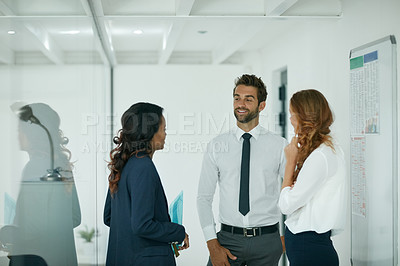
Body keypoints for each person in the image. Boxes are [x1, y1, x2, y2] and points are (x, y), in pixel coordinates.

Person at [197, 74, 287, 266]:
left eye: (248, 99)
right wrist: (212, 244)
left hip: (267, 240)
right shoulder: (217, 145)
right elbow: (203, 198)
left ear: (261, 105)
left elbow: (293, 193)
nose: (241, 104)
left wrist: (287, 236)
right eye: (237, 97)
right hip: (227, 240)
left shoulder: (279, 145)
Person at [104, 102, 189, 266]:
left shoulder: (123, 165)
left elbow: (109, 217)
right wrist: (177, 232)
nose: (165, 134)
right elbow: (142, 225)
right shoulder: (143, 167)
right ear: (150, 132)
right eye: (163, 129)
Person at [1, 103, 81, 266]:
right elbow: (75, 217)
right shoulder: (61, 167)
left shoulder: (35, 167)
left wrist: (6, 234)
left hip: (36, 259)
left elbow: (32, 227)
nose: (17, 134)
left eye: (20, 129)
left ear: (33, 132)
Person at [278, 89, 347, 266]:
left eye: (293, 114)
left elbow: (286, 205)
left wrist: (290, 162)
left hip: (308, 250)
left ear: (305, 117)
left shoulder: (320, 156)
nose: (291, 120)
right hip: (311, 248)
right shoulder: (327, 150)